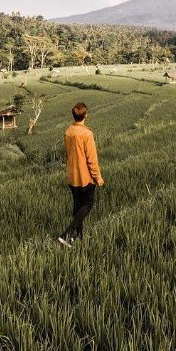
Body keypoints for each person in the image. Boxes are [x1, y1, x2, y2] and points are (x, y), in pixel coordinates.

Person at [58, 102, 104, 246]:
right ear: (86, 115)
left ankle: (77, 238)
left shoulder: (68, 131)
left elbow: (67, 153)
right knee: (89, 204)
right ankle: (67, 234)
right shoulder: (86, 134)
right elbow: (92, 160)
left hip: (72, 176)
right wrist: (98, 178)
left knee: (78, 207)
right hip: (85, 177)